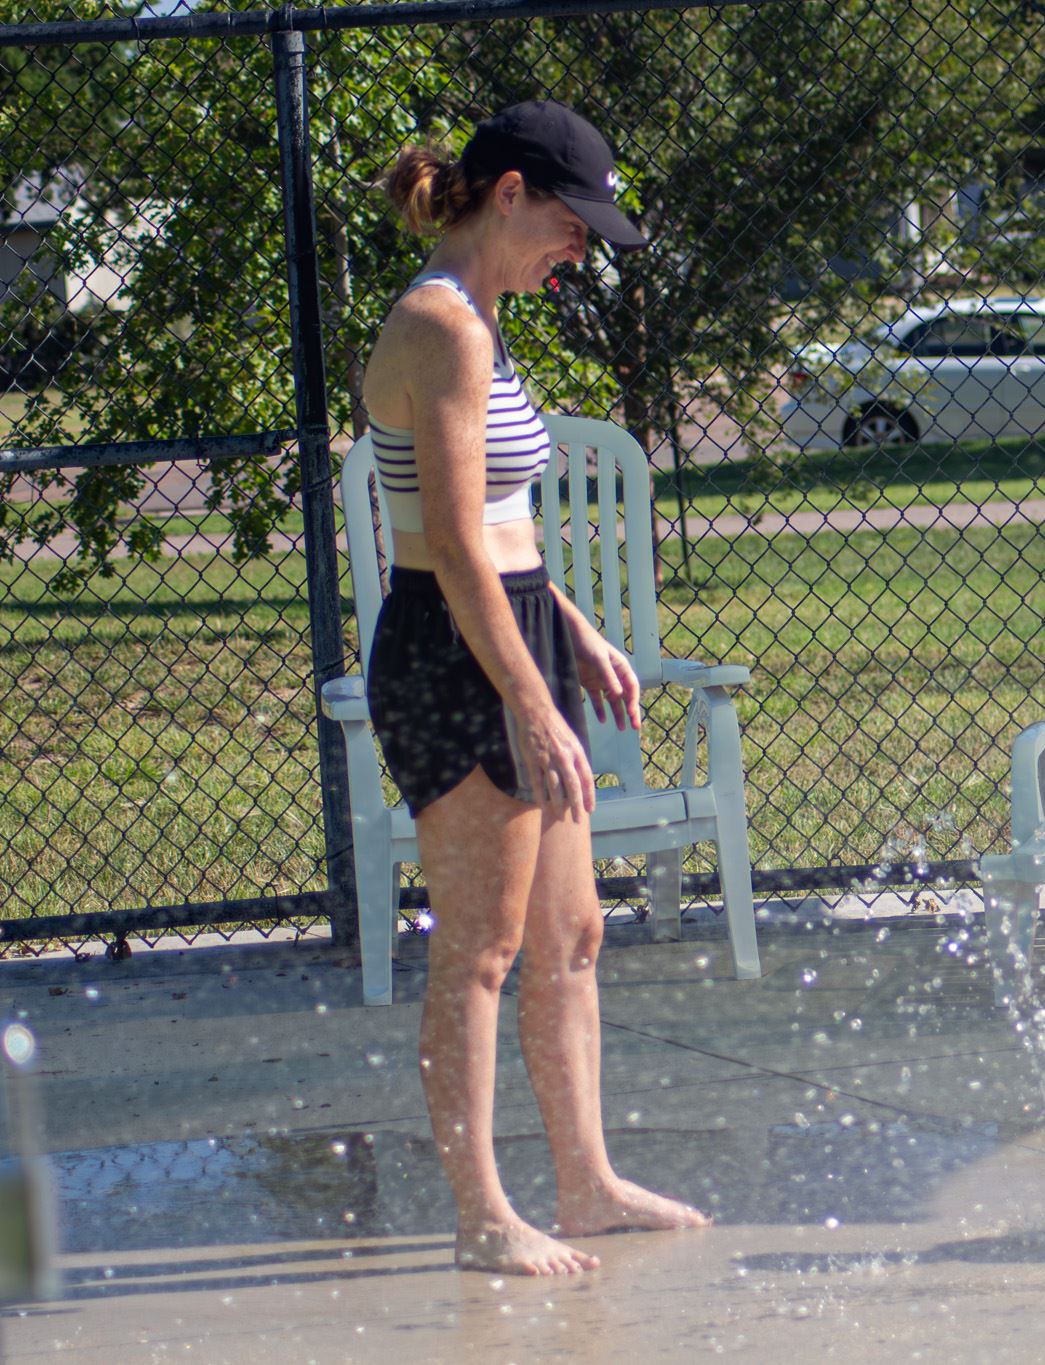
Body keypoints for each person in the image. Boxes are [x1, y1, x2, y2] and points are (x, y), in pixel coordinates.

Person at [362, 99, 706, 1275]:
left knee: (569, 934)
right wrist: (528, 695)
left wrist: (575, 633)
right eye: (572, 225)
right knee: (481, 948)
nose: (582, 251)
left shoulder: (484, 316)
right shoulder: (440, 327)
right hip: (455, 651)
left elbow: (498, 527)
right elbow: (449, 552)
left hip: (512, 632)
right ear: (508, 194)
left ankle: (587, 1184)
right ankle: (482, 1216)